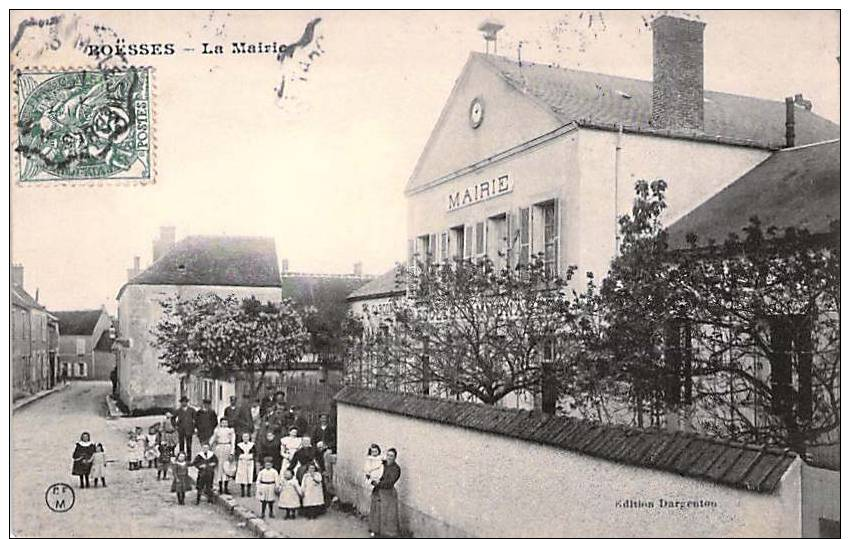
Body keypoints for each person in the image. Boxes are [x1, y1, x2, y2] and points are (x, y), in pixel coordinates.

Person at [369, 448, 401, 538]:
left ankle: (388, 533)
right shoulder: (382, 464)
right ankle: (375, 530)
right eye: (388, 455)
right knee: (376, 511)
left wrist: (378, 483)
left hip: (388, 493)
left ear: (395, 458)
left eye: (392, 456)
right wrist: (370, 477)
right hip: (378, 491)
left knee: (387, 514)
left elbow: (391, 481)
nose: (389, 457)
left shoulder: (396, 469)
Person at [210, 417, 236, 494]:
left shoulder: (230, 431)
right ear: (220, 423)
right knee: (219, 467)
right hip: (219, 448)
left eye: (226, 422)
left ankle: (226, 487)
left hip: (227, 448)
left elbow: (233, 442)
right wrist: (208, 447)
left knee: (227, 467)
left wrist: (232, 452)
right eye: (223, 422)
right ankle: (220, 487)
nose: (224, 424)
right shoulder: (217, 430)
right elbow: (212, 439)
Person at [235, 432, 255, 497]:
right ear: (242, 438)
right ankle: (242, 491)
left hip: (250, 462)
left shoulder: (252, 445)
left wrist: (250, 456)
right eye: (244, 437)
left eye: (247, 437)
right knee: (242, 476)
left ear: (249, 438)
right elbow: (238, 454)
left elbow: (254, 453)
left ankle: (249, 491)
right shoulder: (239, 445)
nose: (245, 438)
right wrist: (243, 456)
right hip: (242, 462)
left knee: (249, 475)